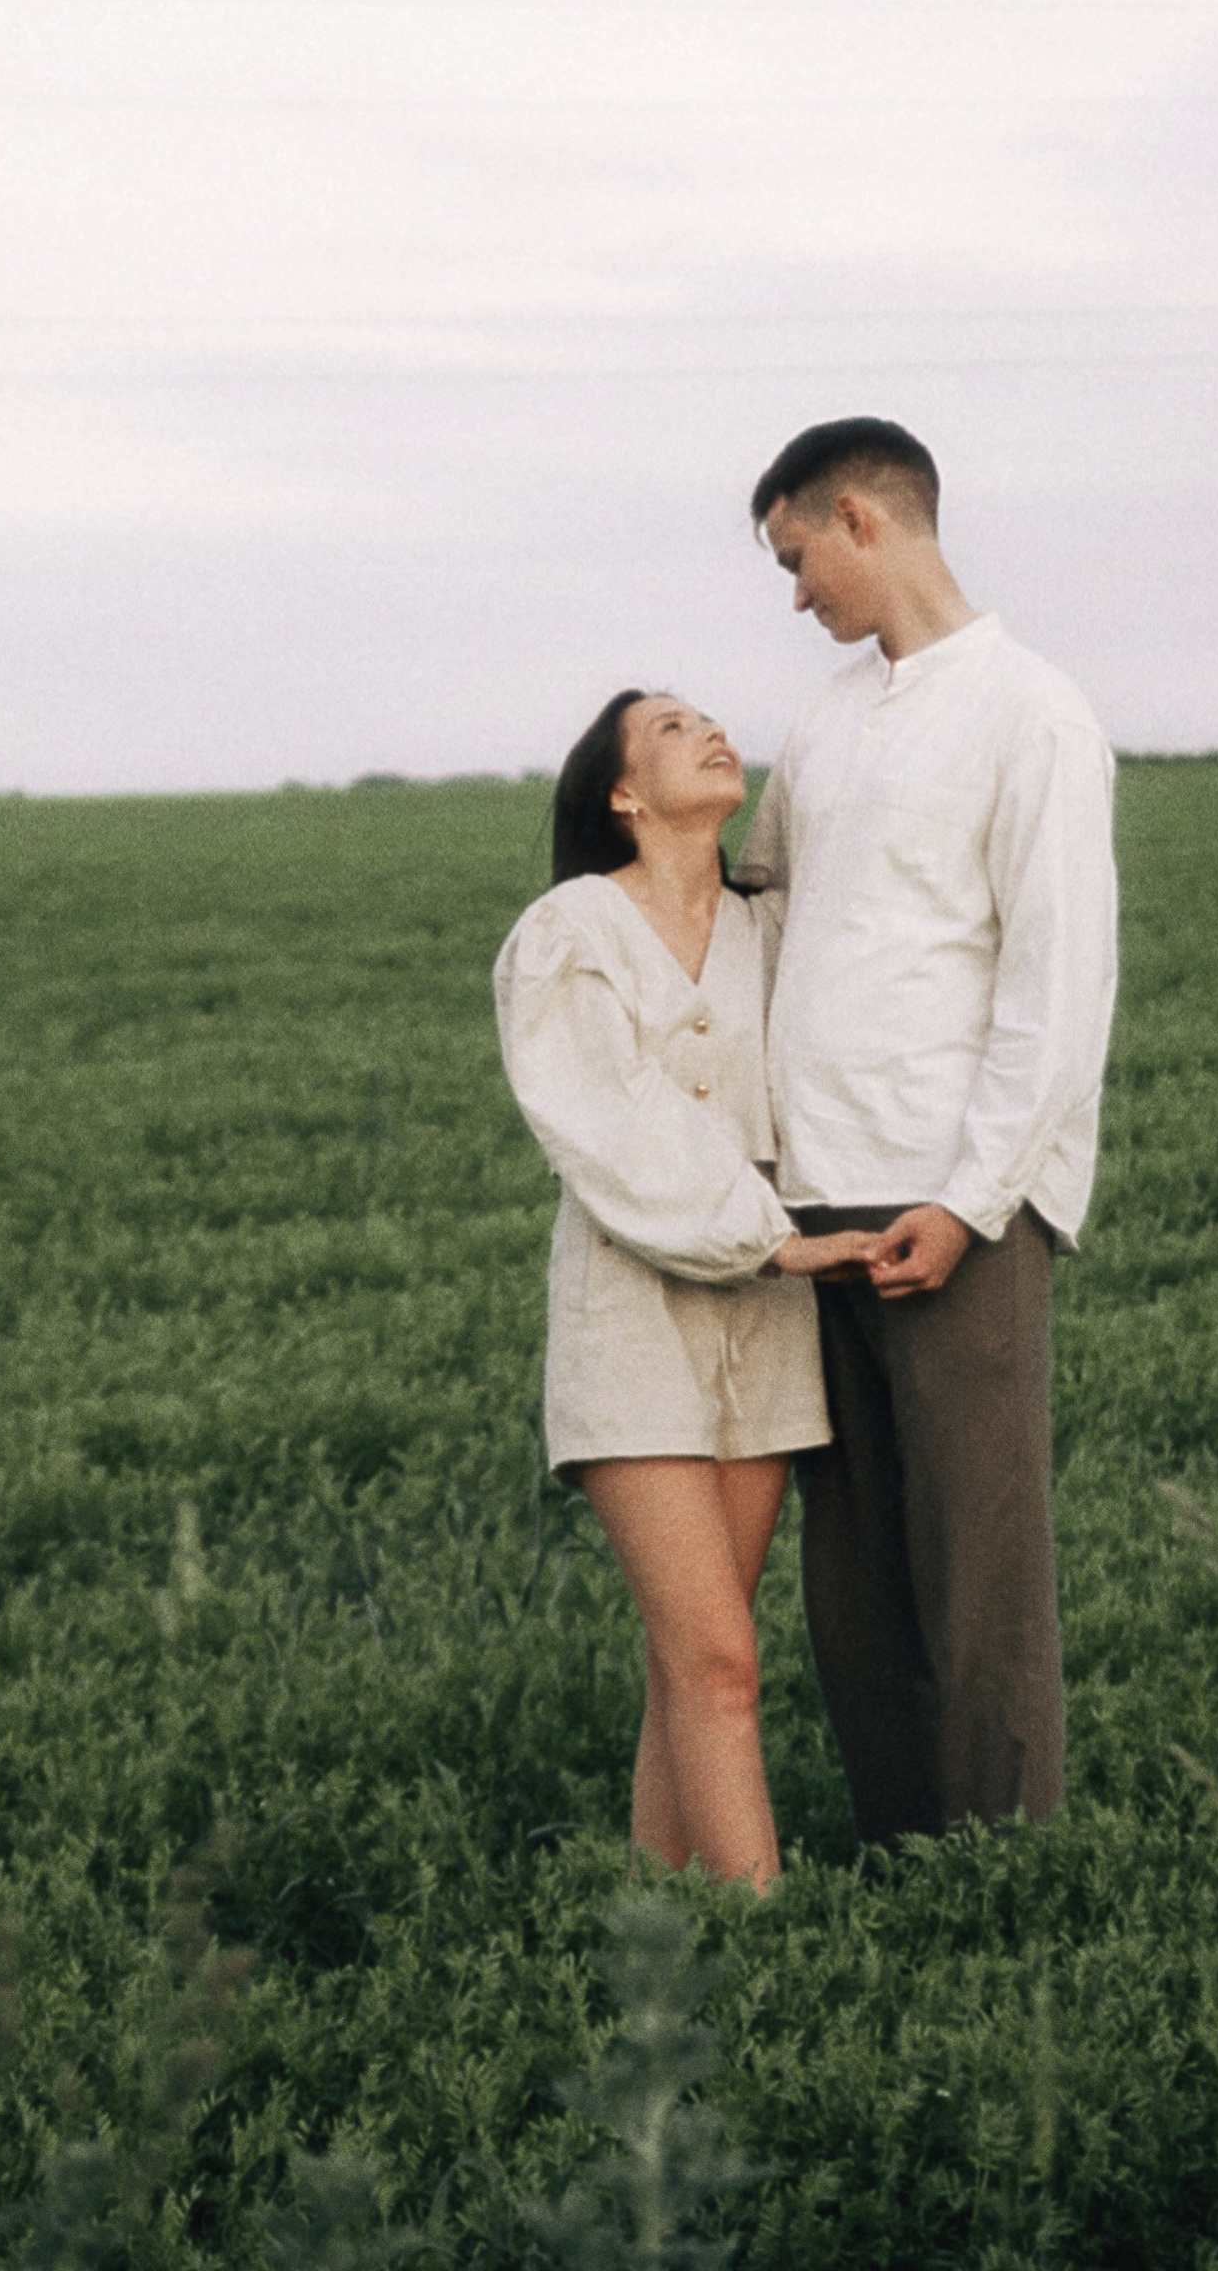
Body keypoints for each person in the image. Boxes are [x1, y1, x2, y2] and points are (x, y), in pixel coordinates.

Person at [734, 417, 1118, 1841]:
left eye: (796, 559)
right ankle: (902, 1857)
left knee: (980, 1567)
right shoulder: (826, 720)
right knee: (857, 1574)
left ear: (860, 517)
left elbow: (1057, 982)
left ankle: (1007, 1871)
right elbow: (765, 916)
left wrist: (972, 1201)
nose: (795, 596)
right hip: (812, 1202)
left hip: (952, 1203)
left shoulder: (1033, 712)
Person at [493, 687, 874, 1890]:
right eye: (667, 726)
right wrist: (772, 1242)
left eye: (710, 718)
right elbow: (607, 1123)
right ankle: (773, 1946)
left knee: (689, 1663)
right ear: (620, 791)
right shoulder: (570, 931)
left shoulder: (776, 929)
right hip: (635, 1308)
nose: (710, 730)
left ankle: (652, 1920)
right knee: (721, 1661)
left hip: (767, 1320)